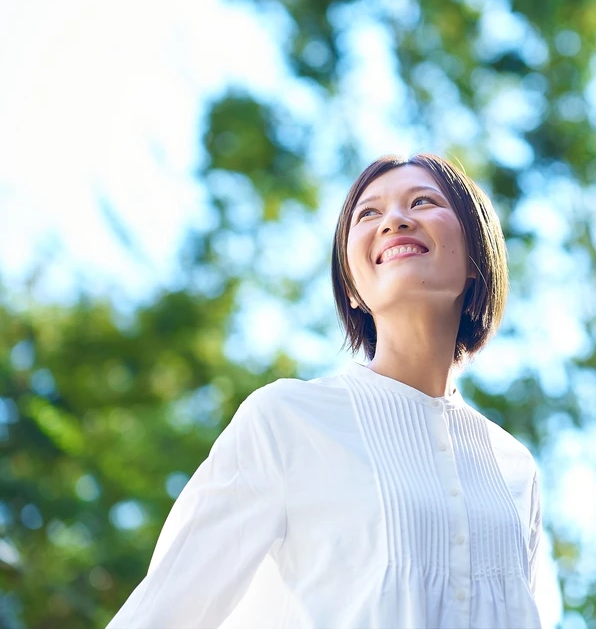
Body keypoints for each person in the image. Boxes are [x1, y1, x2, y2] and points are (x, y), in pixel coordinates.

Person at [108, 153, 547, 628]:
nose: (395, 220)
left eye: (422, 201)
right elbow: (165, 609)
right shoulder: (285, 420)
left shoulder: (514, 468)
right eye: (368, 213)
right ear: (353, 285)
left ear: (475, 257)